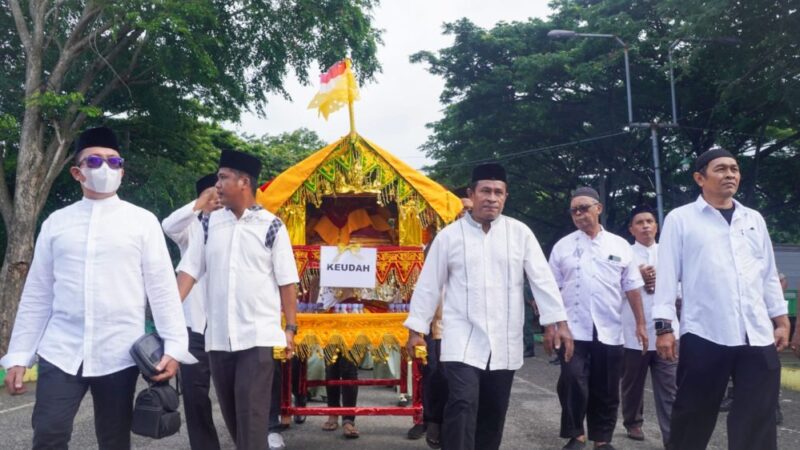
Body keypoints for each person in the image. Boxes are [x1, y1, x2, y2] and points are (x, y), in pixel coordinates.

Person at [1, 126, 195, 449]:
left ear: (122, 169)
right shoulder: (56, 224)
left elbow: (161, 289)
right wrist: (20, 354)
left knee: (113, 439)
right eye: (94, 161)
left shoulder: (142, 222)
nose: (105, 168)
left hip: (118, 351)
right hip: (62, 349)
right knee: (49, 432)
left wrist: (174, 347)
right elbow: (37, 294)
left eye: (113, 162)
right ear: (77, 172)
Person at [404, 163, 573, 450]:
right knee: (462, 402)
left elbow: (542, 279)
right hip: (460, 338)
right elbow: (429, 284)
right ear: (472, 194)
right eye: (485, 191)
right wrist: (416, 329)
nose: (491, 198)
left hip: (504, 339)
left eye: (498, 192)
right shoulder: (449, 236)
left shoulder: (520, 234)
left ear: (506, 197)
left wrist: (558, 323)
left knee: (494, 411)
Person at [653, 148, 790, 450]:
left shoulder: (753, 219)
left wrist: (780, 318)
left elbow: (767, 273)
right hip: (705, 333)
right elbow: (666, 277)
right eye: (721, 169)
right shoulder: (681, 219)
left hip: (756, 334)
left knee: (758, 417)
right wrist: (664, 328)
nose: (730, 174)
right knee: (693, 414)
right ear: (699, 178)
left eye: (735, 169)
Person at [177, 149, 299, 450]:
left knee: (252, 419)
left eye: (223, 177)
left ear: (244, 181)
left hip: (256, 340)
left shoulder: (272, 226)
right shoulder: (208, 224)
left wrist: (291, 328)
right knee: (234, 418)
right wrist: (166, 317)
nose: (217, 184)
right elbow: (189, 270)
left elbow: (287, 282)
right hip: (217, 340)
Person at [549, 187, 648, 450]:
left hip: (609, 328)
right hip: (572, 329)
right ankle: (575, 435)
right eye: (574, 210)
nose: (580, 214)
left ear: (599, 208)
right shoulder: (563, 247)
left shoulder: (619, 246)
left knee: (606, 387)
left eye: (584, 208)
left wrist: (640, 324)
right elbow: (550, 290)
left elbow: (632, 287)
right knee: (572, 380)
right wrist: (553, 326)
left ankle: (602, 439)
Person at [161, 173, 222, 450]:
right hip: (194, 327)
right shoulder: (191, 229)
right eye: (213, 194)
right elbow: (168, 225)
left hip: (226, 326)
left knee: (236, 392)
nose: (218, 199)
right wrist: (198, 205)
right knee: (196, 397)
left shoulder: (236, 225)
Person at [407, 196, 472, 447]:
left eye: (466, 209)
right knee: (434, 373)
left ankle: (451, 426)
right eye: (459, 210)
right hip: (436, 324)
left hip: (465, 324)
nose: (462, 214)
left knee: (460, 380)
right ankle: (432, 420)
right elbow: (423, 289)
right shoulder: (432, 245)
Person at [619, 205, 678, 446]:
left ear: (657, 226)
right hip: (634, 330)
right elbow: (610, 289)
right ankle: (633, 420)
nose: (645, 226)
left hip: (668, 331)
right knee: (633, 383)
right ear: (631, 229)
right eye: (640, 222)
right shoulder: (624, 254)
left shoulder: (669, 252)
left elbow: (683, 285)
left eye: (650, 221)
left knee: (670, 388)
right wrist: (637, 280)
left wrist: (662, 284)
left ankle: (673, 438)